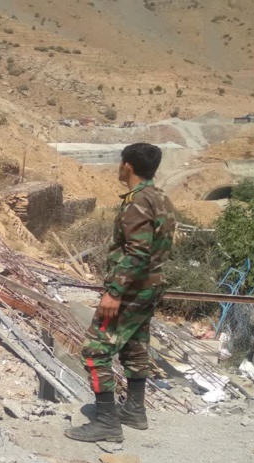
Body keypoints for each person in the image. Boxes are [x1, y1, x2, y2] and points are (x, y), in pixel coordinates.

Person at [65, 143, 176, 443]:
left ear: (127, 166)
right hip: (149, 287)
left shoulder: (138, 201)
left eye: (120, 163)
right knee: (135, 345)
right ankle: (134, 411)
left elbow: (138, 252)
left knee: (95, 350)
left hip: (130, 289)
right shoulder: (160, 197)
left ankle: (106, 423)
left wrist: (114, 292)